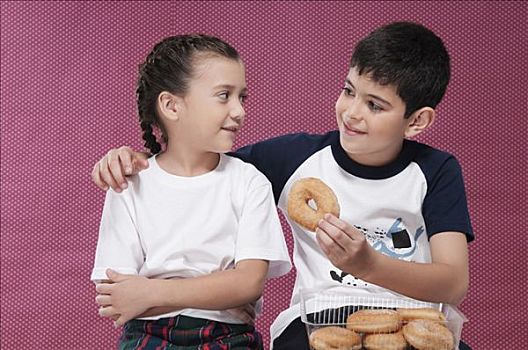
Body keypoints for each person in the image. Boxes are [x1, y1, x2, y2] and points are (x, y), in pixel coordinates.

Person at [92, 22, 474, 350]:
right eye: (348, 90)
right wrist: (134, 156)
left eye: (375, 105)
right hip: (317, 318)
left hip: (414, 318)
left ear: (417, 121)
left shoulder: (436, 171)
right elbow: (196, 158)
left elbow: (453, 282)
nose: (352, 112)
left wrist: (368, 264)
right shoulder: (292, 158)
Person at [91, 34, 291, 349]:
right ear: (171, 105)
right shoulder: (129, 183)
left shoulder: (249, 182)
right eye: (224, 95)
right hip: (147, 336)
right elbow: (117, 299)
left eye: (242, 97)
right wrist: (219, 293)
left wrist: (151, 292)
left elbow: (249, 283)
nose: (239, 111)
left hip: (229, 337)